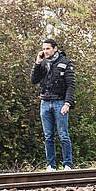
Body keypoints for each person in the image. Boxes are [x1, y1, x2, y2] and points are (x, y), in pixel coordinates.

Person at [30, 38, 75, 170]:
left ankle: (67, 164)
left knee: (63, 135)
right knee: (48, 136)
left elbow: (71, 85)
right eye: (44, 49)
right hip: (45, 102)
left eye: (48, 48)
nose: (45, 51)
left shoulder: (65, 63)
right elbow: (33, 80)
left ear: (55, 48)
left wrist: (67, 103)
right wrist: (37, 63)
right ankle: (51, 165)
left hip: (60, 102)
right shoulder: (43, 63)